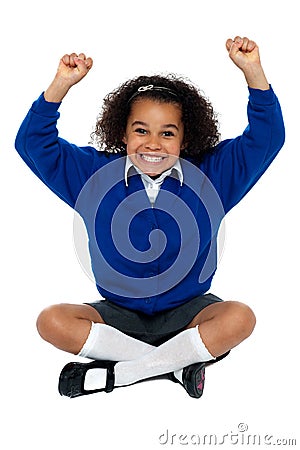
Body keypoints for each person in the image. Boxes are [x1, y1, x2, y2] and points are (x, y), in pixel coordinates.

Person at [15, 36, 285, 399]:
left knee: (240, 318)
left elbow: (267, 139)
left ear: (184, 138)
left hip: (189, 316)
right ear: (123, 133)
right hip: (119, 318)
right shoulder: (93, 178)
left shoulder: (213, 178)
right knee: (51, 321)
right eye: (141, 130)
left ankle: (121, 375)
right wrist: (61, 84)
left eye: (167, 133)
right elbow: (33, 143)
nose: (153, 144)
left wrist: (253, 71)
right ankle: (176, 368)